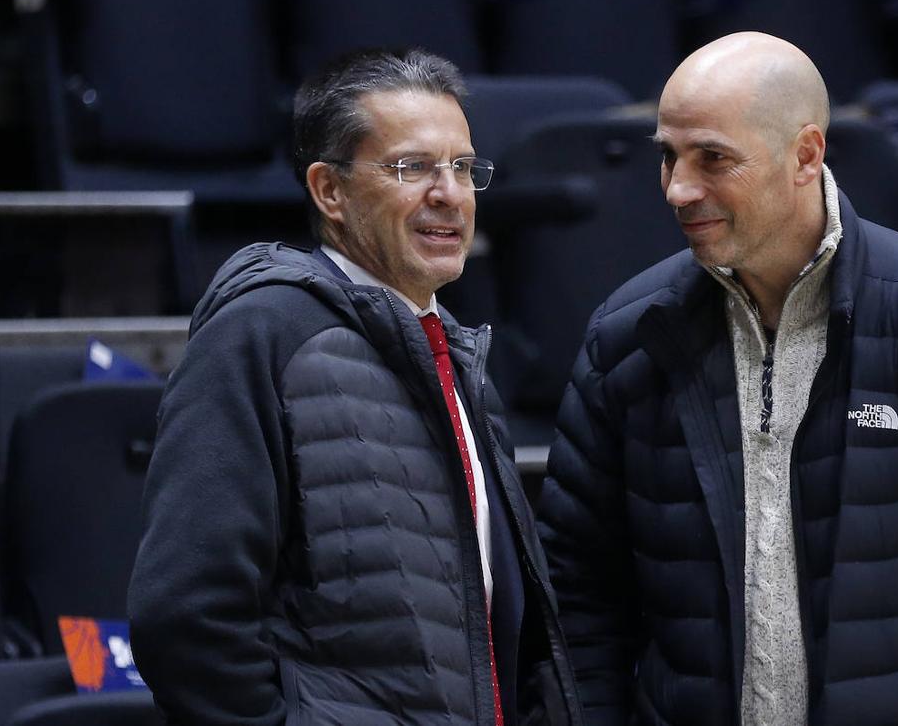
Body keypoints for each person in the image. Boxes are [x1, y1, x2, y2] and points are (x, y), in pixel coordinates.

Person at [537, 32, 898, 725]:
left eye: (712, 158)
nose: (679, 188)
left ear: (805, 155)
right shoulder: (626, 337)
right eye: (667, 156)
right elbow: (578, 595)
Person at [128, 48, 581, 726]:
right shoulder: (261, 330)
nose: (450, 193)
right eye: (413, 167)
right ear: (329, 190)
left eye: (463, 167)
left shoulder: (455, 352)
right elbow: (187, 616)